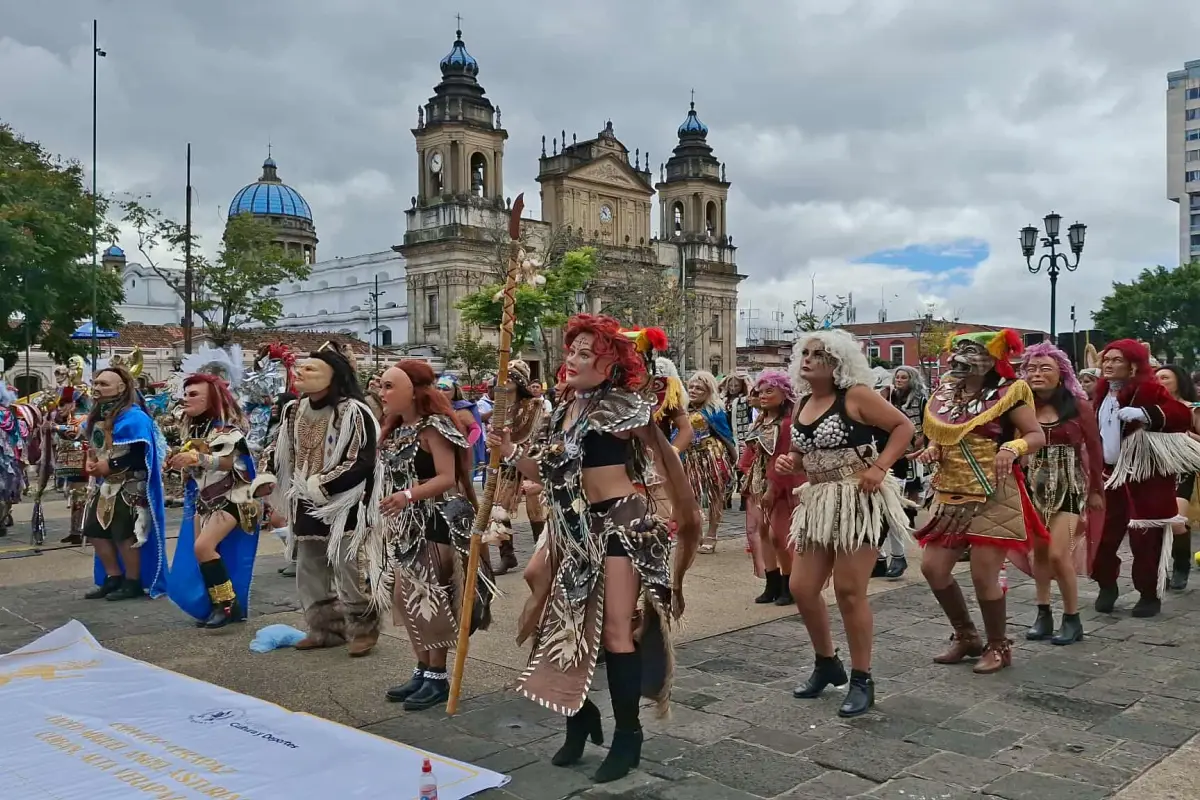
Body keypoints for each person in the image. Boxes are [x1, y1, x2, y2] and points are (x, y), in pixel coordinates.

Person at [491, 314, 701, 785]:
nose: (572, 359)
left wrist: (676, 510)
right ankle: (580, 716)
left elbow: (662, 452)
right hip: (576, 531)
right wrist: (509, 451)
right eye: (572, 351)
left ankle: (628, 735)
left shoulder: (624, 406)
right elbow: (550, 472)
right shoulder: (563, 411)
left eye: (585, 353)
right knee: (567, 626)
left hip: (621, 525)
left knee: (615, 631)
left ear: (611, 365)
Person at [776, 330, 913, 717]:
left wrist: (880, 467)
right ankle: (826, 662)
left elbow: (903, 427)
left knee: (850, 590)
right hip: (819, 501)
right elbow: (800, 451)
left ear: (837, 362)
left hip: (859, 499)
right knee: (802, 587)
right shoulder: (803, 402)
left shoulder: (855, 396)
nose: (808, 359)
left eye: (818, 354)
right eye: (805, 353)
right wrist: (791, 462)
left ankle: (862, 677)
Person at [914, 329, 1045, 674]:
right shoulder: (946, 392)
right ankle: (966, 635)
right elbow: (943, 435)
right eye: (958, 350)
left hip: (994, 492)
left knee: (983, 574)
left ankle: (998, 645)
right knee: (933, 568)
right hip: (951, 492)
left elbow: (1036, 435)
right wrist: (933, 449)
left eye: (971, 351)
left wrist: (1011, 447)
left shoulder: (1008, 392)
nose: (960, 357)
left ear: (992, 358)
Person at [378, 361, 494, 711]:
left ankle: (437, 676)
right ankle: (422, 669)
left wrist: (408, 495)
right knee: (406, 598)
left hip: (439, 519)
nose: (382, 393)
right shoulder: (397, 428)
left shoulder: (435, 427)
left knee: (429, 598)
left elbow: (448, 477)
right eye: (381, 386)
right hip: (409, 522)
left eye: (388, 386)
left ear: (412, 390)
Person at [270, 346, 385, 655]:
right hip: (303, 499)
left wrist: (323, 484)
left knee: (349, 563)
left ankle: (364, 628)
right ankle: (325, 630)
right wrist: (267, 476)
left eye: (311, 369)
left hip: (345, 501)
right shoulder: (293, 410)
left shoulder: (353, 411)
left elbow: (361, 460)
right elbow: (279, 448)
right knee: (309, 565)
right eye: (301, 367)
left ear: (333, 377)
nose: (300, 372)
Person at [1090, 340, 1200, 617]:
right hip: (1109, 476)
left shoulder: (1148, 389)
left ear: (1132, 366)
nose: (1109, 365)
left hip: (1145, 478)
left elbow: (1180, 414)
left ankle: (1149, 594)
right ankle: (1106, 585)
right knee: (1102, 537)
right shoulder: (1101, 393)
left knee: (1146, 540)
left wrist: (1145, 414)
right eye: (1106, 360)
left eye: (1117, 360)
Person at [1008, 342, 1103, 645]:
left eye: (1045, 368)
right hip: (1031, 486)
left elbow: (1095, 449)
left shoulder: (1079, 406)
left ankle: (1072, 619)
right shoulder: (1020, 406)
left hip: (1069, 487)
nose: (1036, 373)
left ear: (1061, 373)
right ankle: (1043, 613)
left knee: (1059, 554)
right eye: (1031, 368)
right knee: (1038, 553)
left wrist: (1096, 491)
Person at [167, 372, 274, 628]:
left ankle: (226, 605)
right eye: (185, 393)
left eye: (193, 394)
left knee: (203, 548)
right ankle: (218, 605)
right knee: (201, 553)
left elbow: (226, 463)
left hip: (232, 497)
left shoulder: (226, 430)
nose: (186, 399)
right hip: (205, 501)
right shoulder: (194, 430)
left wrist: (196, 458)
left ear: (210, 399)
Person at [83, 366, 170, 601]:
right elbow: (98, 448)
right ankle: (113, 577)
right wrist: (93, 462)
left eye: (104, 384)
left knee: (125, 534)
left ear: (121, 388)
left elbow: (140, 455)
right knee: (95, 531)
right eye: (96, 383)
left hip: (131, 484)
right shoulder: (98, 415)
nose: (97, 388)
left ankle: (133, 582)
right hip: (107, 484)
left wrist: (109, 465)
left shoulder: (135, 417)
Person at [739, 369, 802, 605]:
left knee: (779, 535)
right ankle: (771, 582)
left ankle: (789, 583)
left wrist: (772, 488)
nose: (763, 396)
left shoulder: (786, 424)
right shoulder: (761, 421)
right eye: (760, 392)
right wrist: (747, 473)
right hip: (760, 481)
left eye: (769, 391)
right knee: (763, 532)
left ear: (784, 394)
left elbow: (783, 457)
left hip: (783, 483)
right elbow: (750, 452)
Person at [482, 360, 546, 575]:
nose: (504, 380)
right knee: (499, 508)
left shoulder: (534, 405)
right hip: (507, 464)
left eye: (509, 377)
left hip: (530, 460)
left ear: (518, 382)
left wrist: (515, 449)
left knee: (535, 509)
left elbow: (535, 434)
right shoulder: (500, 408)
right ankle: (507, 555)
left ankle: (542, 553)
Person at [877, 365, 929, 578]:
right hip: (878, 460)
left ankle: (898, 556)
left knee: (891, 511)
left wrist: (918, 445)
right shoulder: (883, 401)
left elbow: (926, 425)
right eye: (896, 377)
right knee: (875, 513)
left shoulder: (920, 401)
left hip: (900, 460)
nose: (898, 380)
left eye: (903, 377)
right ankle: (879, 558)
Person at [681, 370, 736, 554]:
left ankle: (712, 534)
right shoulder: (682, 409)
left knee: (715, 495)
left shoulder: (715, 411)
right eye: (691, 387)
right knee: (691, 497)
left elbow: (725, 435)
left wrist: (733, 458)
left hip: (712, 456)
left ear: (709, 391)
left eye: (699, 388)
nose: (693, 390)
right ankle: (696, 531)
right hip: (690, 458)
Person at [1155, 364, 1200, 590]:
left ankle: (1181, 565)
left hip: (1183, 470)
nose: (1159, 381)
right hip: (1155, 470)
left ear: (1179, 381)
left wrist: (1186, 435)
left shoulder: (1192, 409)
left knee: (1176, 521)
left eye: (1165, 377)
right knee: (1155, 524)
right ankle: (1159, 569)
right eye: (1156, 377)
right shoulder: (1151, 410)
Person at [722, 374, 754, 510]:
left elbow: (752, 393)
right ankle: (726, 499)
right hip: (726, 437)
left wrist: (746, 380)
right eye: (731, 385)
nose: (733, 388)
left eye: (736, 385)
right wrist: (725, 380)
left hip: (742, 436)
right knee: (726, 469)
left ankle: (743, 500)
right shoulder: (723, 400)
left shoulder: (745, 399)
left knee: (742, 469)